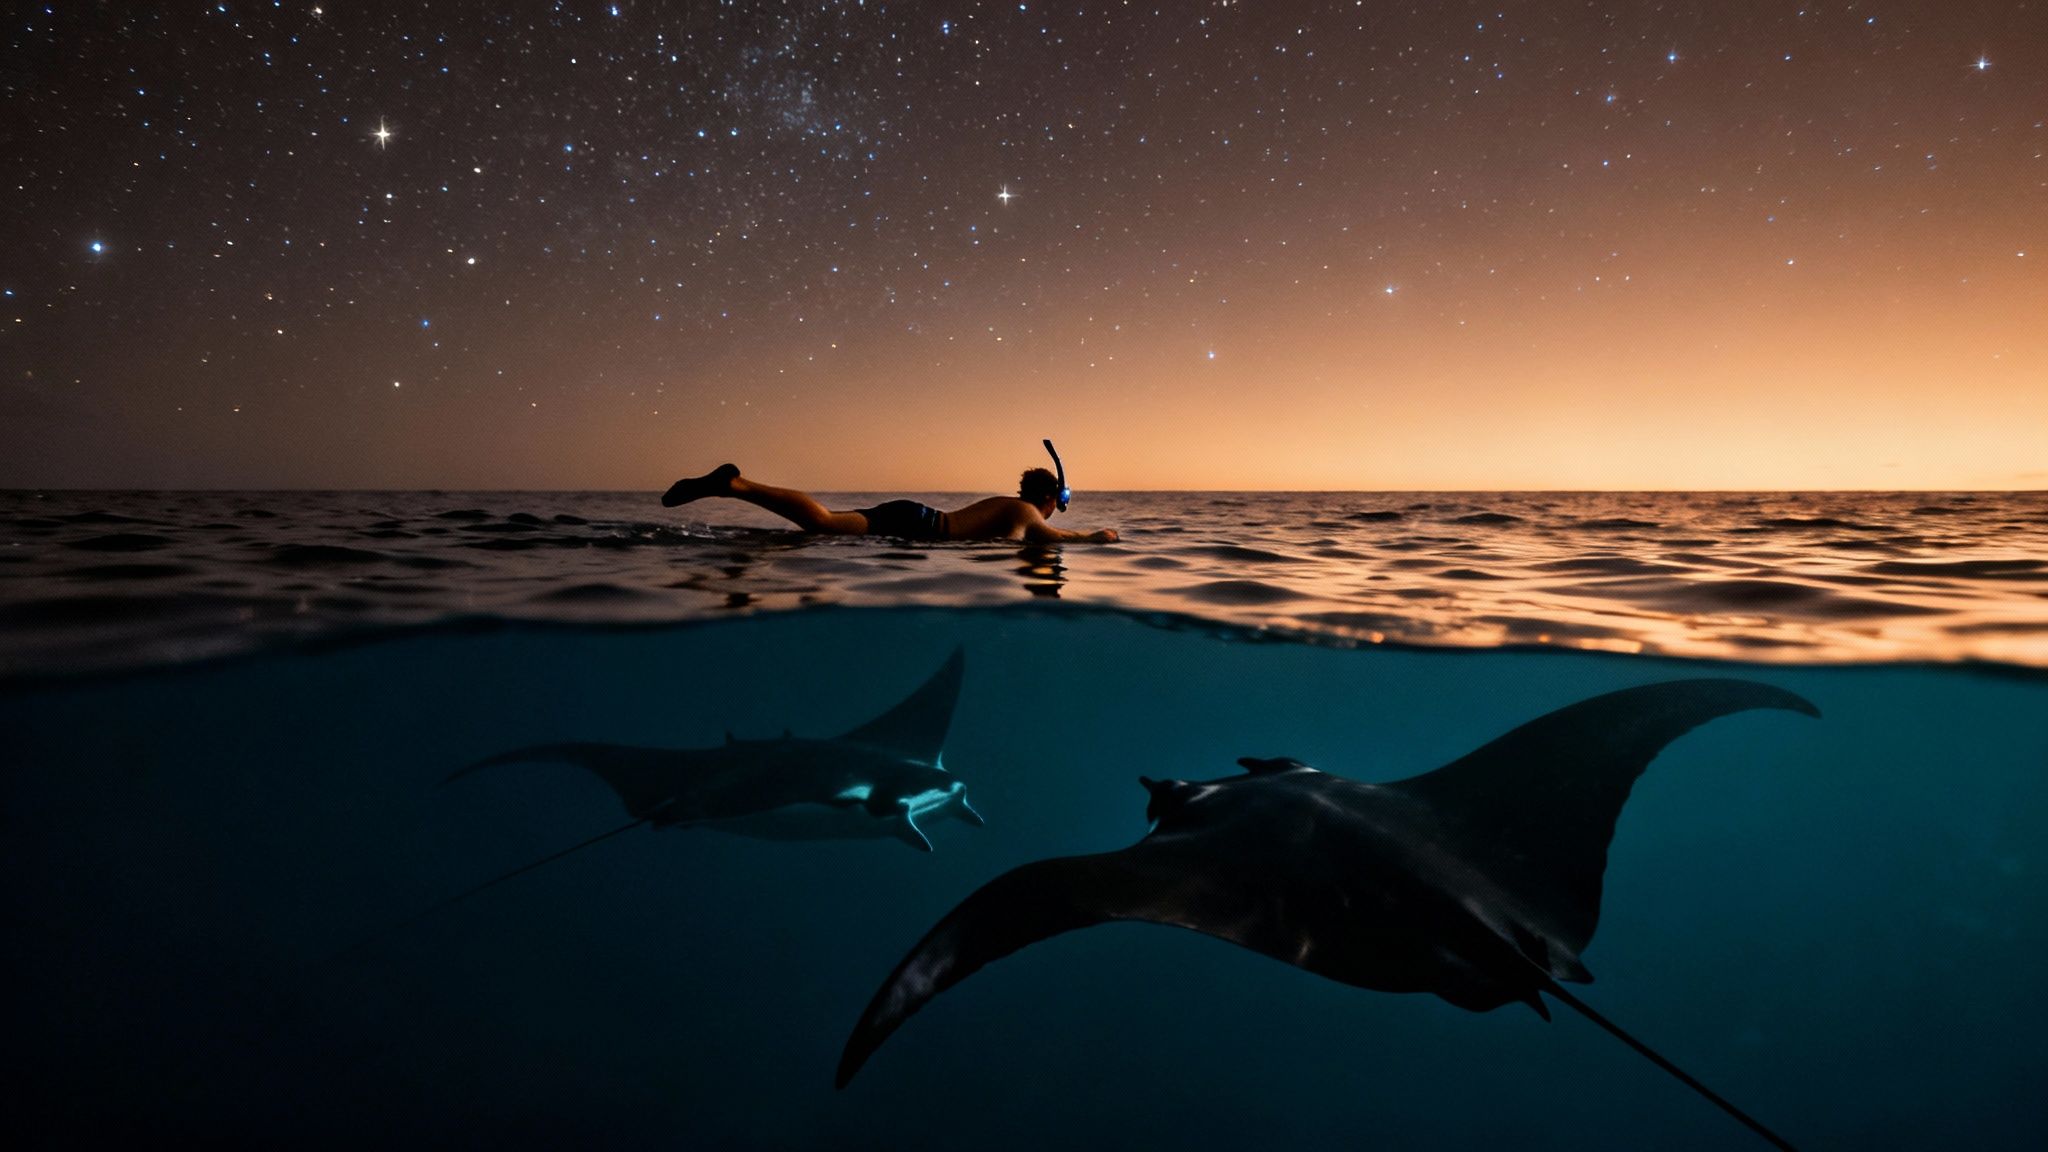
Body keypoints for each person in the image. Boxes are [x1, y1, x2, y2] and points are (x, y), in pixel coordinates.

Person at [660, 462, 1118, 543]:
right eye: (1062, 499)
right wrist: (1098, 536)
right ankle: (736, 486)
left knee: (824, 523)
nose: (1060, 507)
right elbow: (1051, 537)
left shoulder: (1009, 507)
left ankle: (738, 488)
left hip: (913, 519)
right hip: (919, 526)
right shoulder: (1023, 512)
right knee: (820, 524)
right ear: (1046, 497)